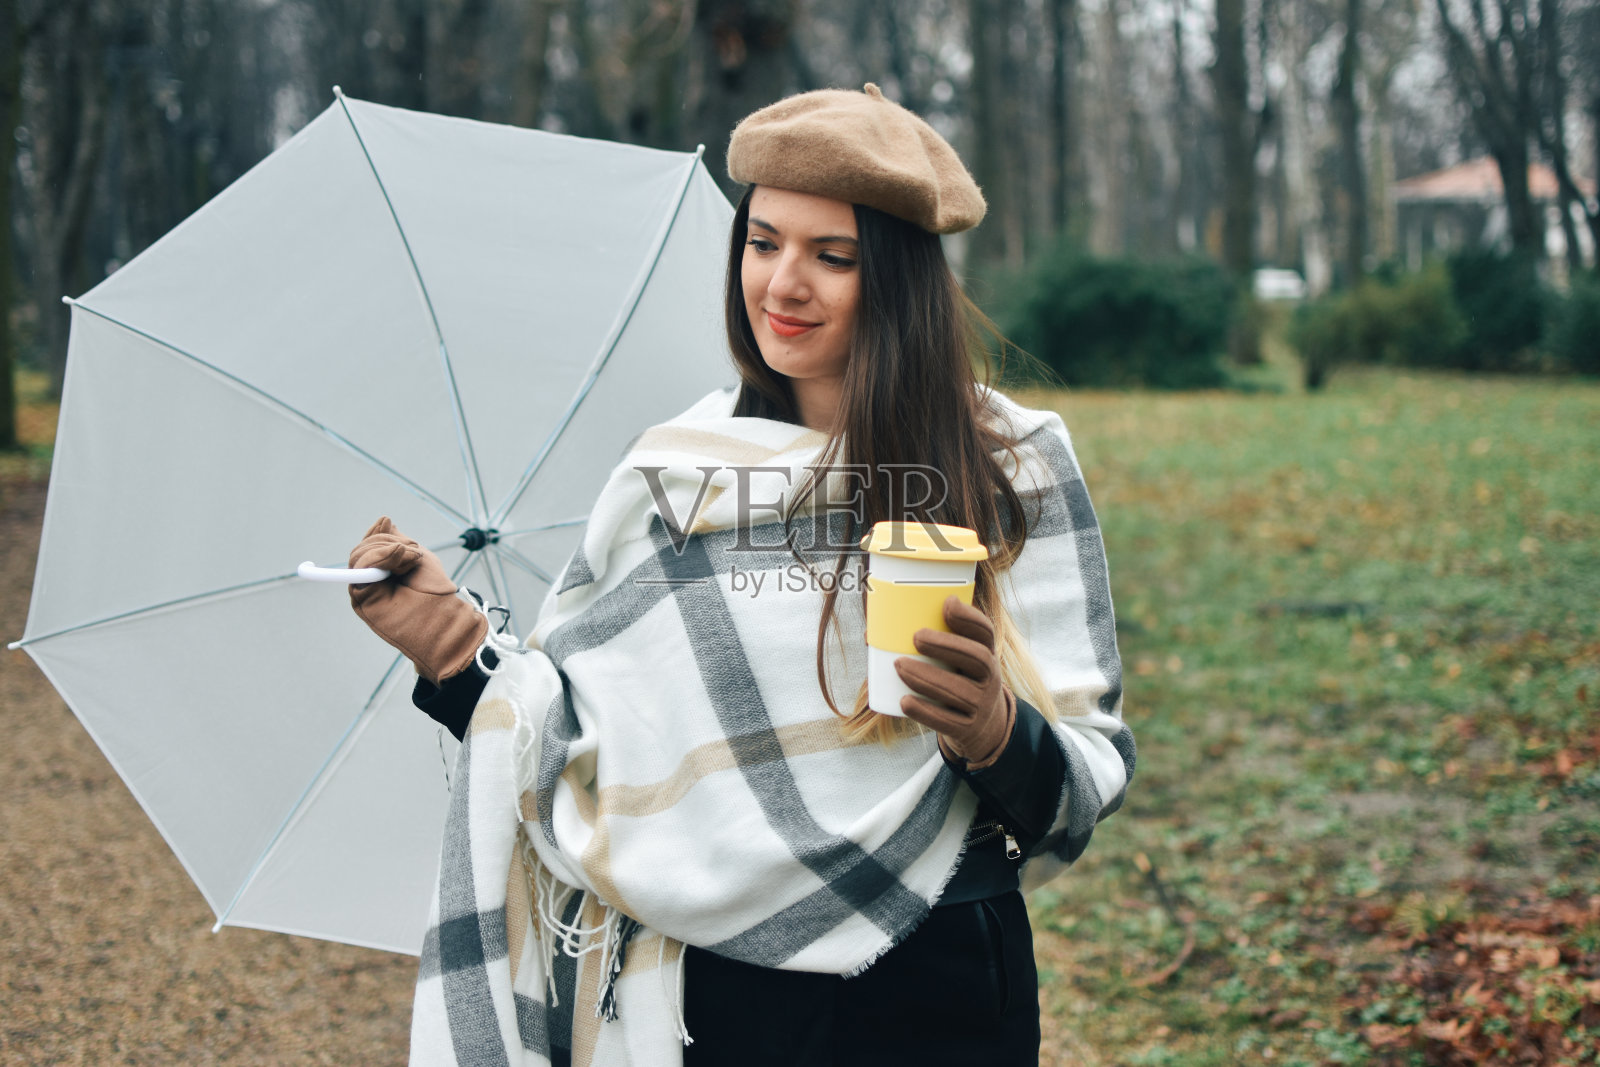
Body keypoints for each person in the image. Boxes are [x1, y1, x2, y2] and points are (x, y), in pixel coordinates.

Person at [348, 84, 1133, 1067]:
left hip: (936, 970)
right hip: (718, 992)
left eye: (831, 256)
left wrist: (992, 729)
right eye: (763, 243)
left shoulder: (1007, 460)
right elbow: (592, 752)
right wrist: (456, 652)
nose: (783, 284)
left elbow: (1084, 772)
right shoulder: (676, 474)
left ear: (898, 278)